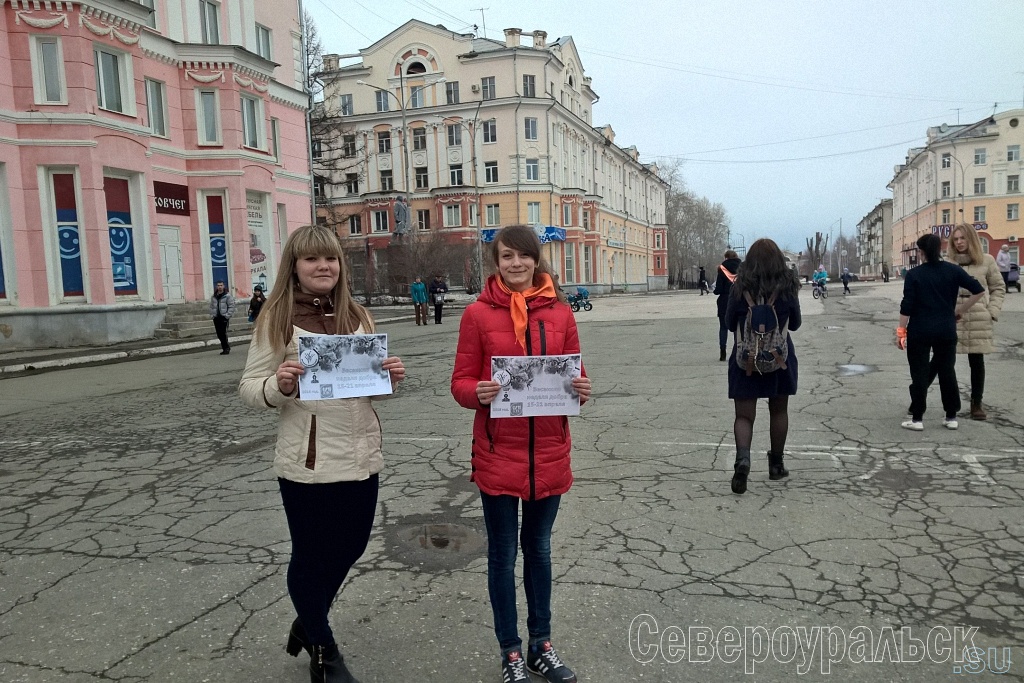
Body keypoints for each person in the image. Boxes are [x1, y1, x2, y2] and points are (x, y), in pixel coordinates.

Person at [239, 225, 406, 683]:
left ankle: (306, 619)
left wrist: (390, 378)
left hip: (360, 453)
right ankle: (324, 652)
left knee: (350, 547)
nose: (323, 267)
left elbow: (370, 392)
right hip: (306, 461)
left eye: (330, 259)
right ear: (294, 266)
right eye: (312, 260)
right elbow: (249, 388)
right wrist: (280, 385)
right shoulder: (275, 318)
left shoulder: (357, 315)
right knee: (311, 557)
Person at [451, 224, 592, 683]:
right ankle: (511, 652)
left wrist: (581, 389)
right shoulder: (477, 314)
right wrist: (480, 392)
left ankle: (541, 646)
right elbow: (460, 382)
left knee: (539, 550)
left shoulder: (561, 313)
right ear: (496, 262)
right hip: (498, 453)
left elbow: (576, 374)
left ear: (537, 259)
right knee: (502, 555)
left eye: (523, 256)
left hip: (549, 450)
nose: (516, 264)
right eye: (507, 256)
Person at [724, 238, 801, 495]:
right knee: (779, 411)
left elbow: (727, 323)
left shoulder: (739, 287)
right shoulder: (788, 287)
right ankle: (776, 465)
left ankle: (743, 461)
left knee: (744, 415)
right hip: (778, 359)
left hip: (745, 359)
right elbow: (795, 325)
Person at [896, 233, 983, 431]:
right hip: (946, 329)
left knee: (919, 373)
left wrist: (901, 333)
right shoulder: (953, 270)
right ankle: (951, 416)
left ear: (922, 252)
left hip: (920, 330)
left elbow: (906, 306)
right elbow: (978, 290)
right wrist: (960, 310)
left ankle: (917, 419)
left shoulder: (914, 275)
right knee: (947, 371)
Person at [933, 225, 1005, 420]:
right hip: (952, 317)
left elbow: (998, 288)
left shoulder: (987, 261)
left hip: (978, 318)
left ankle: (976, 403)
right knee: (943, 361)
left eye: (963, 238)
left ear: (971, 239)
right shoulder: (947, 263)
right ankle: (929, 400)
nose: (959, 242)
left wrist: (992, 312)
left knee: (977, 362)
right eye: (955, 239)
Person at [715, 250, 741, 362]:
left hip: (724, 301)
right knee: (737, 328)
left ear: (726, 258)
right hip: (739, 299)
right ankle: (737, 350)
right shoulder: (743, 269)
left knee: (723, 327)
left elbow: (718, 290)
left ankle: (723, 352)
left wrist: (716, 291)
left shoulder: (722, 269)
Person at [209, 280, 235, 355]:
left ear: (224, 286)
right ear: (216, 286)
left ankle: (226, 348)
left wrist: (227, 316)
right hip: (216, 317)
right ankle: (225, 347)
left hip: (224, 317)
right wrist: (212, 315)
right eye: (218, 285)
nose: (219, 287)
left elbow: (231, 306)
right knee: (219, 334)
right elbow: (211, 306)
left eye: (221, 285)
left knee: (223, 333)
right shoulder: (214, 296)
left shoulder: (227, 296)